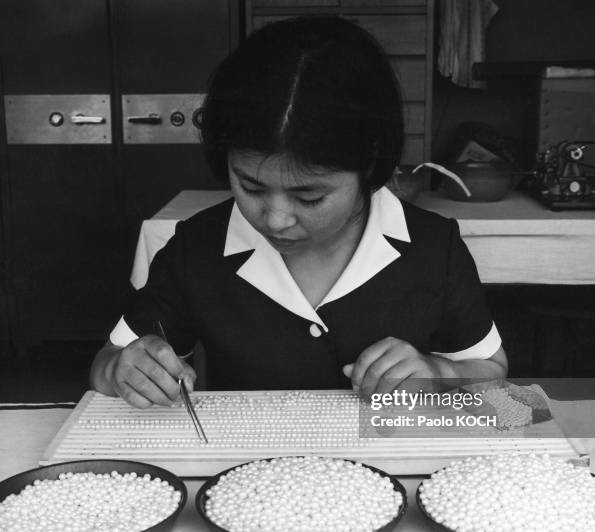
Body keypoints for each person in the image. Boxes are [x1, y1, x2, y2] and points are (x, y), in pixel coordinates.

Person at [90, 16, 507, 409]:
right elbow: (106, 365)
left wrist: (440, 372)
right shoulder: (196, 248)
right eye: (251, 187)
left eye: (309, 198)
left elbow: (492, 373)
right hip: (245, 474)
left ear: (370, 165)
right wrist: (124, 370)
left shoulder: (434, 249)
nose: (275, 219)